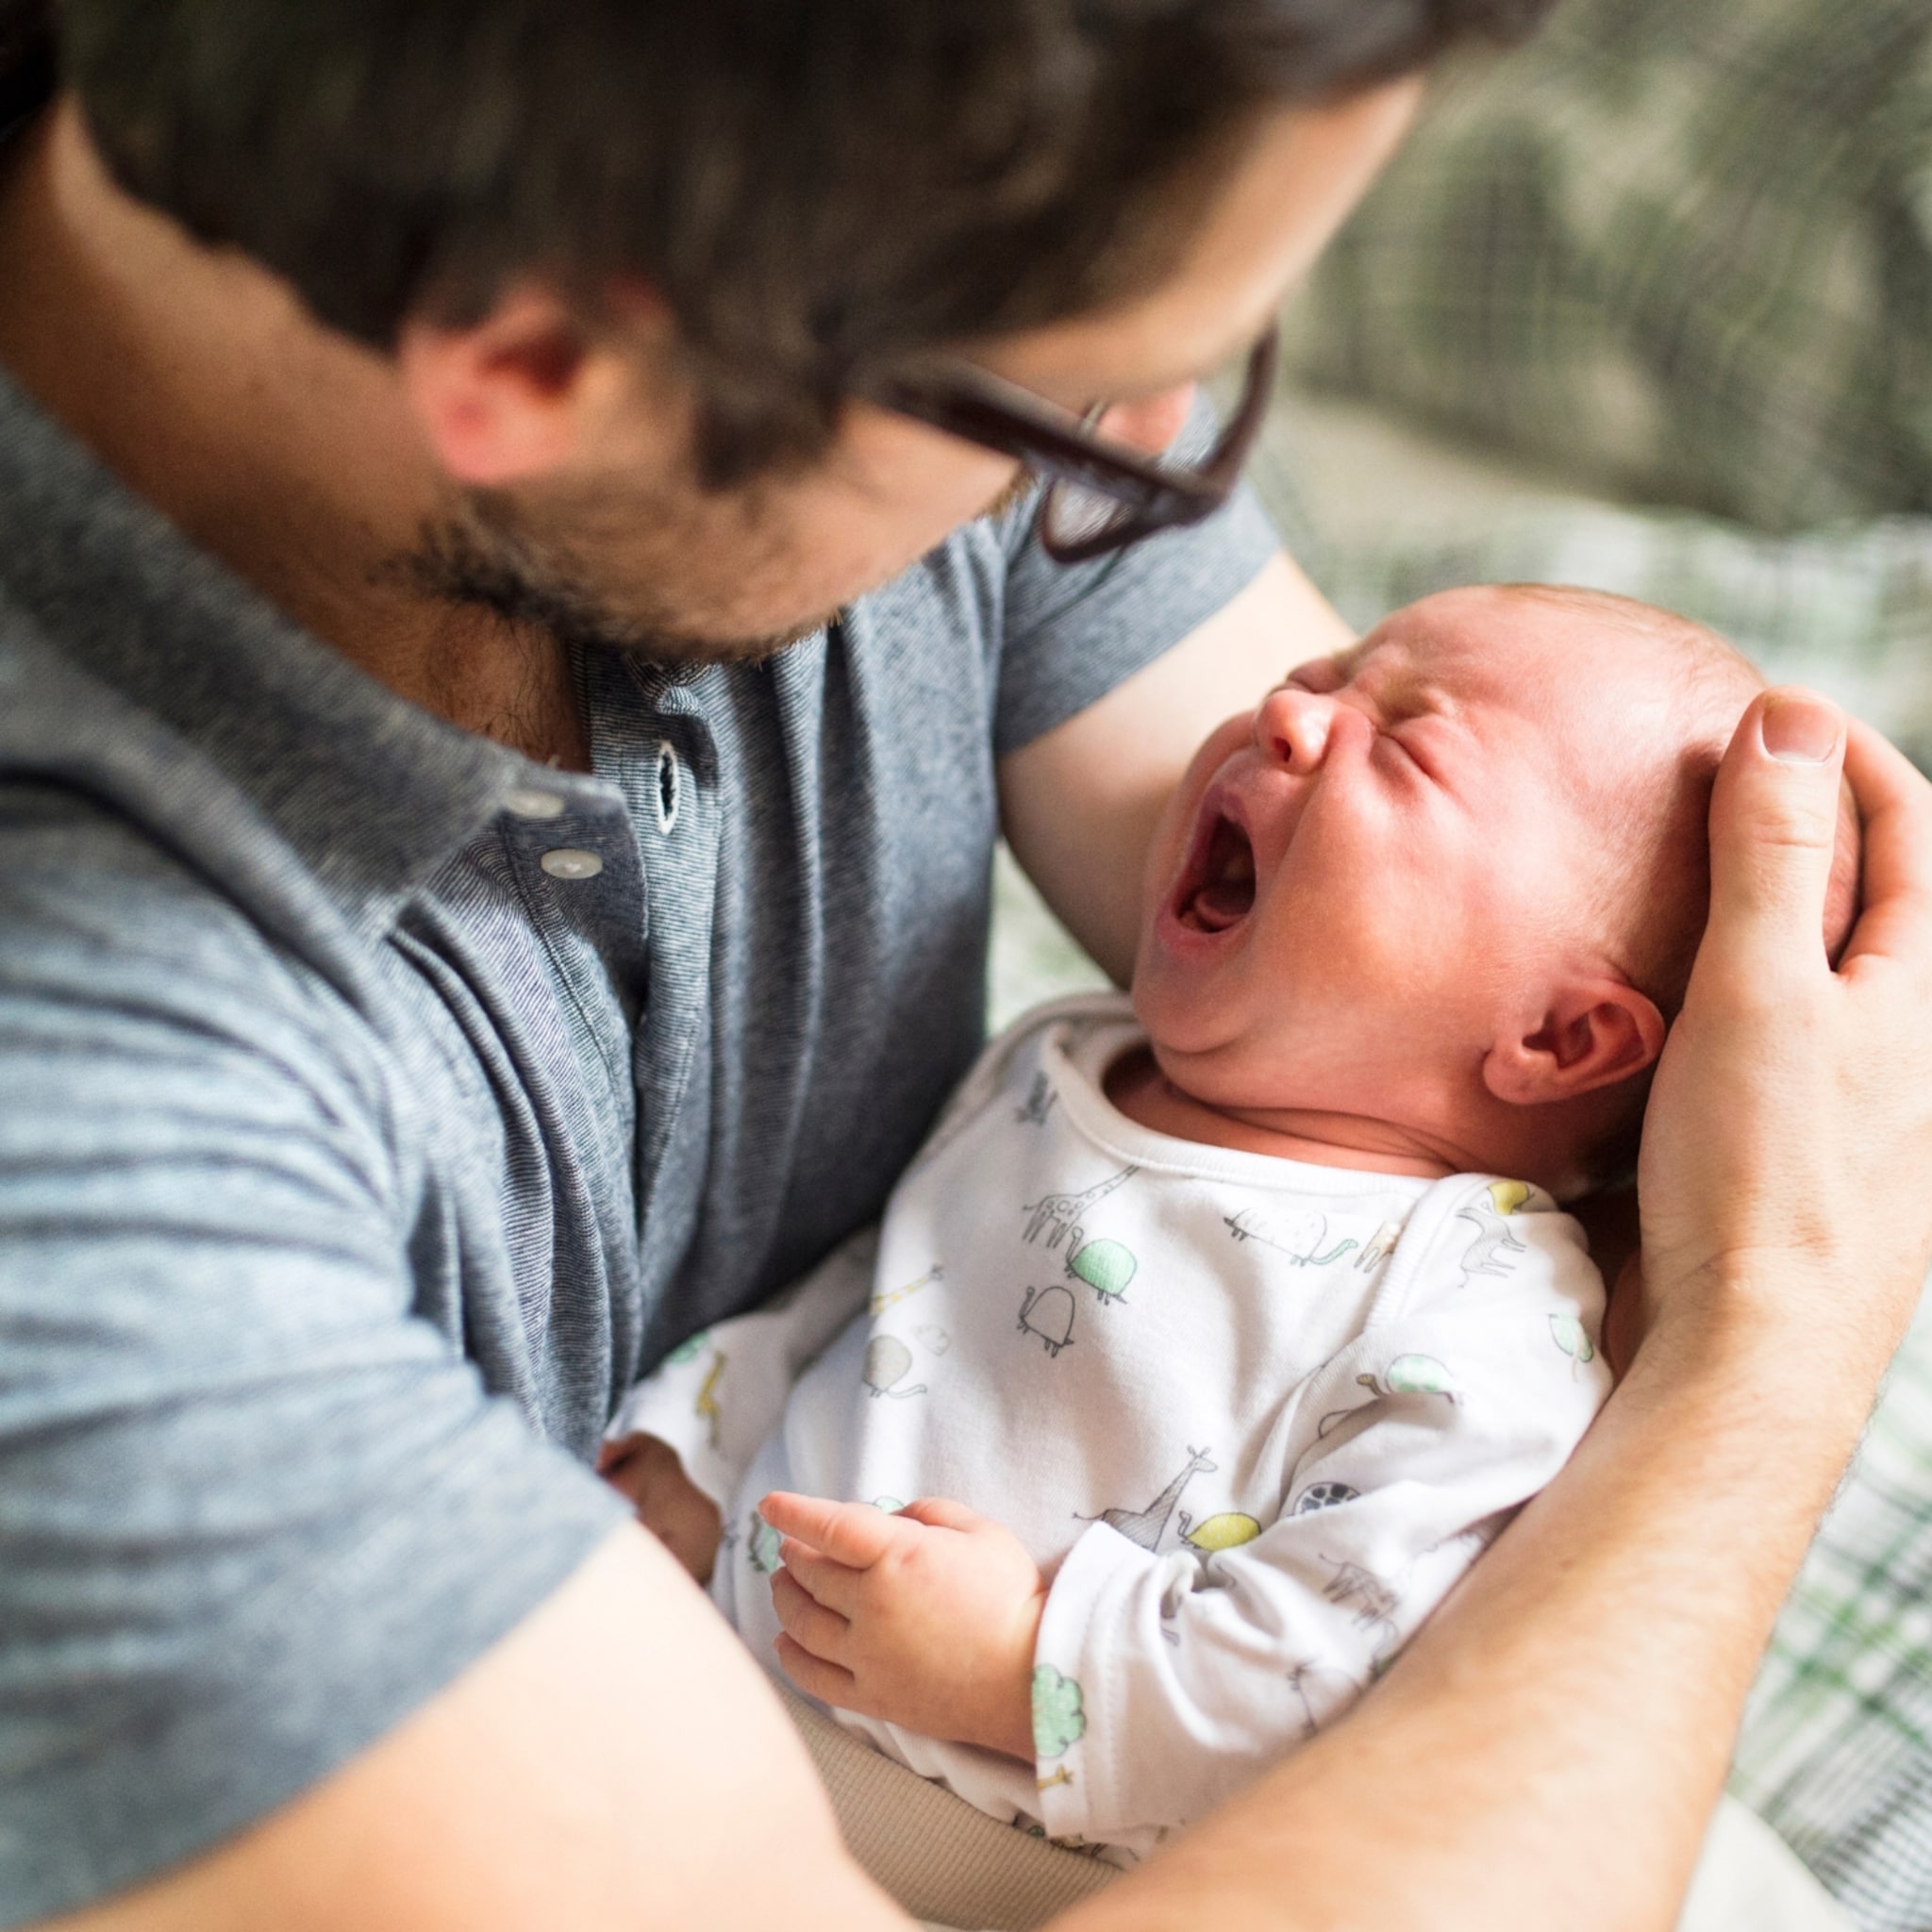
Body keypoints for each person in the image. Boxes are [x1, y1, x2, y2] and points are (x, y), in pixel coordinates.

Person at [0, 5, 1927, 1932]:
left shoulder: (846, 311)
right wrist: (1768, 1339)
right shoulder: (92, 1194)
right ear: (535, 366)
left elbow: (1468, 954)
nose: (1155, 453)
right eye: (1076, 387)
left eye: (1220, 347)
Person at [615, 586, 1856, 1874]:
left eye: (1411, 747)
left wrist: (1023, 1661)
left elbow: (1335, 1676)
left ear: (1557, 1037)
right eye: (1325, 672)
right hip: (715, 1705)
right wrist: (704, 1443)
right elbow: (884, 1300)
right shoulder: (1064, 1058)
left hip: (1022, 1865)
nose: (1288, 714)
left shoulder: (1479, 1308)